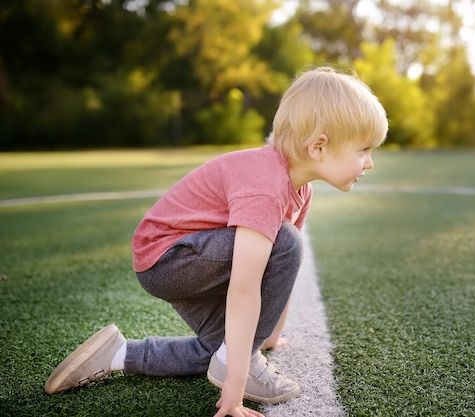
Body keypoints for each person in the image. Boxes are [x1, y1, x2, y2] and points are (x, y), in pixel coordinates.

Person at [44, 66, 388, 417]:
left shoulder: (301, 190)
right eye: (363, 149)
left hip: (184, 257)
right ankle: (233, 363)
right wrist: (236, 387)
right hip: (168, 257)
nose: (370, 162)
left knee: (224, 347)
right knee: (285, 243)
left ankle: (118, 354)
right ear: (318, 147)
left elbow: (277, 277)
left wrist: (263, 339)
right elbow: (245, 286)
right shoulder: (266, 184)